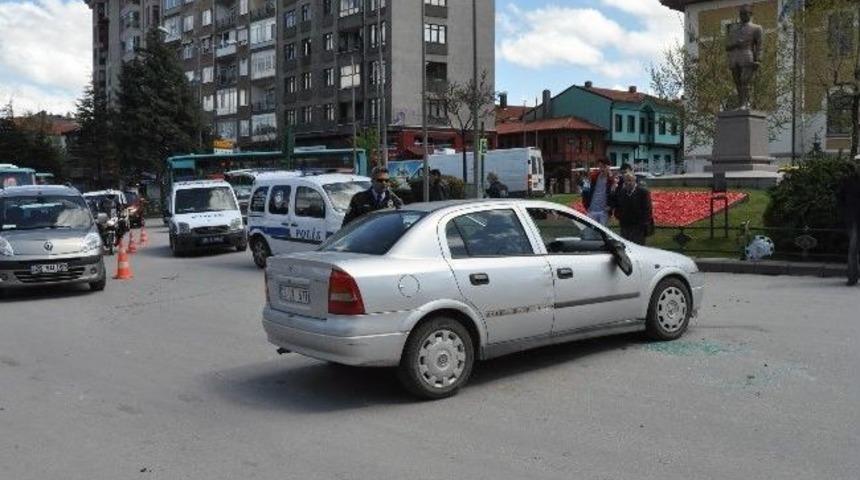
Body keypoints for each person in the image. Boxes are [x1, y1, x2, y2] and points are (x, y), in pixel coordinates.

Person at [726, 4, 763, 110]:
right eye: (741, 14)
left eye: (745, 14)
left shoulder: (756, 28)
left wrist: (758, 59)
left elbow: (759, 45)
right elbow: (727, 46)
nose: (742, 16)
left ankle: (745, 104)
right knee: (737, 82)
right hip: (734, 58)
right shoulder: (733, 29)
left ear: (750, 14)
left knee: (744, 81)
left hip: (747, 56)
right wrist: (736, 44)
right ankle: (741, 103)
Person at [614, 169, 654, 245]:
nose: (627, 183)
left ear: (634, 180)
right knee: (626, 247)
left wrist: (643, 223)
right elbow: (618, 206)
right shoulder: (622, 192)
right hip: (625, 225)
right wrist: (619, 216)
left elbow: (647, 209)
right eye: (625, 181)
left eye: (629, 180)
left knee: (638, 248)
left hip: (638, 226)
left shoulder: (643, 192)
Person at [837, 162, 860, 286]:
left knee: (853, 249)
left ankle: (853, 277)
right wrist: (845, 212)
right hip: (853, 218)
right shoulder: (848, 181)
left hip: (853, 217)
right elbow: (840, 198)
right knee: (853, 249)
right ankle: (852, 277)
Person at [583, 158, 616, 226]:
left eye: (604, 167)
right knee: (590, 232)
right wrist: (586, 205)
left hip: (604, 211)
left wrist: (611, 206)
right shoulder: (593, 177)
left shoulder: (612, 180)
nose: (602, 169)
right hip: (592, 209)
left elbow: (615, 196)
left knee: (602, 233)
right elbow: (585, 191)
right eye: (600, 167)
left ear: (609, 167)